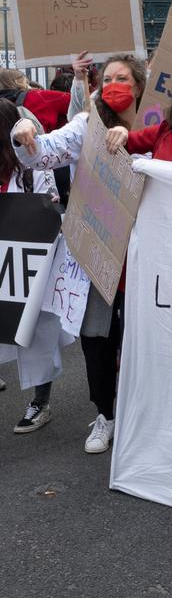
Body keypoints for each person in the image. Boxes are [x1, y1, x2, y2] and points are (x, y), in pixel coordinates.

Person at [12, 53, 147, 454]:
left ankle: (144, 413)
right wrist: (25, 133)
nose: (114, 84)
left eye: (123, 77)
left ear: (139, 85)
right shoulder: (88, 124)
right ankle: (105, 413)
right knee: (96, 338)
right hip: (99, 249)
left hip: (145, 252)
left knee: (143, 337)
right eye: (108, 78)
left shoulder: (156, 128)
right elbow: (45, 153)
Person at [0, 98, 62, 433]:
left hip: (30, 262)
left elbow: (47, 212)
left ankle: (40, 400)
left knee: (37, 331)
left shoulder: (33, 166)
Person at [0, 51, 91, 132]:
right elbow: (80, 102)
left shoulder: (4, 104)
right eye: (24, 79)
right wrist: (81, 79)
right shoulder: (38, 96)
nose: (28, 81)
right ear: (17, 82)